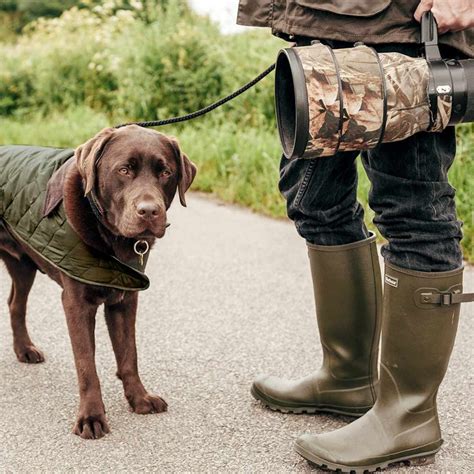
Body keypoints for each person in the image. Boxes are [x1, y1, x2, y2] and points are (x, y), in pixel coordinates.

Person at [237, 0, 474, 471]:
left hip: (402, 31)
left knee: (412, 208)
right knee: (312, 198)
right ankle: (347, 377)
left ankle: (408, 414)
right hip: (320, 21)